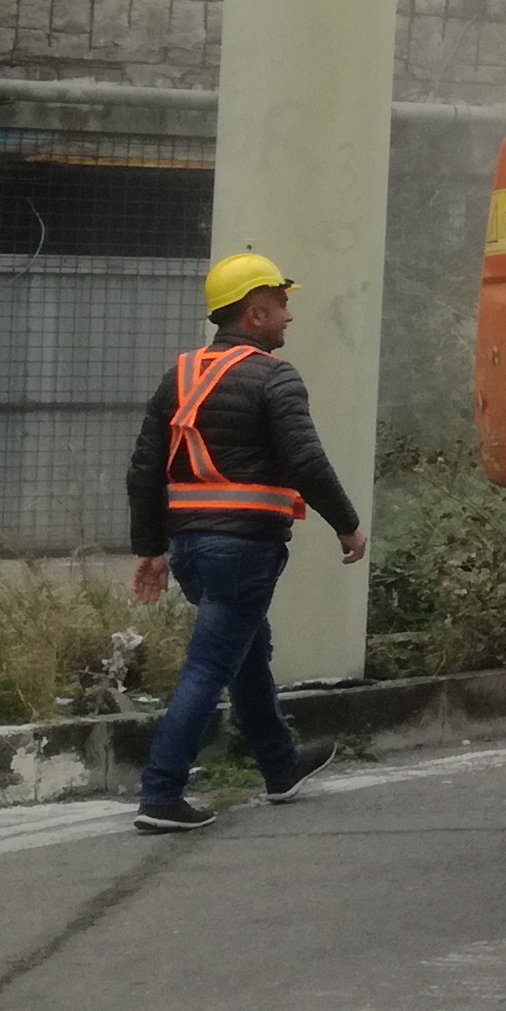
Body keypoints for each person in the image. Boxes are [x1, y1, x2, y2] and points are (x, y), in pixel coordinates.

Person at [120, 252, 366, 833]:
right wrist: (347, 523)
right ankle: (161, 793)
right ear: (255, 314)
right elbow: (305, 460)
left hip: (193, 552)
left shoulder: (179, 375)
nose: (289, 316)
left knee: (245, 650)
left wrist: (152, 549)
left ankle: (279, 765)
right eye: (282, 304)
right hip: (246, 550)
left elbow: (143, 470)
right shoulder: (276, 377)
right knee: (209, 666)